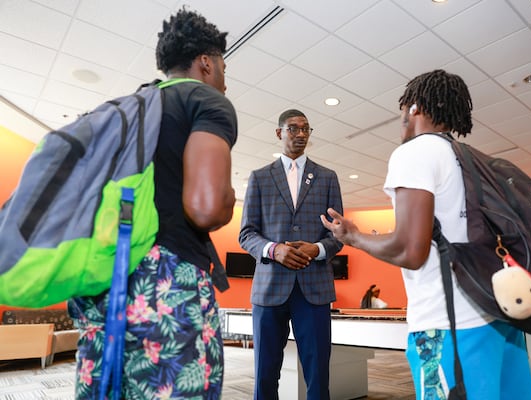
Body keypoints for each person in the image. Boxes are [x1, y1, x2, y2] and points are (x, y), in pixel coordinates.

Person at [321, 70, 531, 400]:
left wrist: (354, 237)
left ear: (415, 107)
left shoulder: (415, 153)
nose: (401, 119)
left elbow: (411, 250)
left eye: (402, 110)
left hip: (447, 326)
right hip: (499, 319)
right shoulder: (472, 159)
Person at [68, 8, 237, 399]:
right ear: (206, 63)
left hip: (102, 286)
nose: (225, 82)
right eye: (224, 68)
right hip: (168, 286)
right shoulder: (205, 100)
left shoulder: (125, 108)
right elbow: (205, 208)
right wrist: (228, 199)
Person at [239, 109, 344, 399]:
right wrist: (274, 250)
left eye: (306, 129)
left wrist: (319, 249)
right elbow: (246, 234)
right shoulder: (260, 178)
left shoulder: (327, 177)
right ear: (279, 133)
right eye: (293, 128)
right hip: (269, 288)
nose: (300, 134)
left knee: (318, 374)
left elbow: (338, 234)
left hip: (314, 288)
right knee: (265, 375)